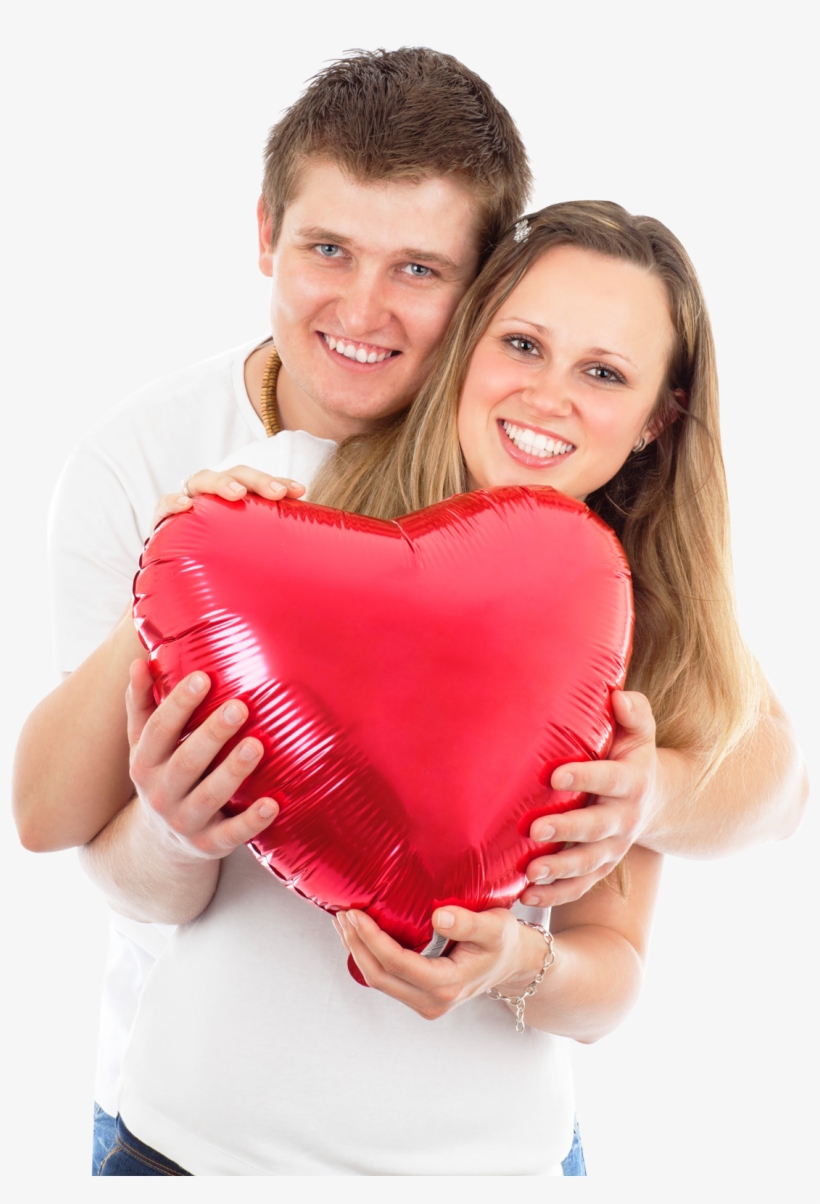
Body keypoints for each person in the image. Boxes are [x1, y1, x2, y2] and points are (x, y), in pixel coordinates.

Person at [12, 54, 805, 1171]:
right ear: (483, 333)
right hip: (193, 1146)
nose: (546, 395)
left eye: (604, 374)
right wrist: (178, 561)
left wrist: (517, 962)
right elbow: (51, 813)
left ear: (655, 422)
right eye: (524, 344)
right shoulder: (287, 492)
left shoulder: (618, 601)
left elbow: (636, 930)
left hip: (495, 1165)